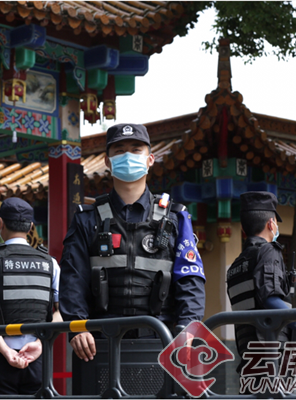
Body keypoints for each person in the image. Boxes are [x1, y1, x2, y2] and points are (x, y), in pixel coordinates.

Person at [59, 123, 206, 392]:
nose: (128, 156)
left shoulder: (175, 218)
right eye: (119, 150)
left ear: (150, 160)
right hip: (99, 344)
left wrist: (188, 328)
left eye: (136, 150)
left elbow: (190, 279)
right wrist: (77, 327)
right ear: (107, 161)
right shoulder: (86, 219)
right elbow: (72, 279)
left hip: (163, 341)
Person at [0, 197, 62, 395]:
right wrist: (40, 344)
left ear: (1, 223)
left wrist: (6, 351)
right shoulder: (51, 263)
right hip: (38, 357)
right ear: (31, 227)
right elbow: (63, 311)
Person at [227, 191, 296, 378]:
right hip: (270, 349)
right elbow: (269, 298)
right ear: (271, 224)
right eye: (276, 222)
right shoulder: (268, 251)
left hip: (248, 351)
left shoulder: (236, 264)